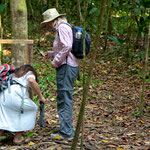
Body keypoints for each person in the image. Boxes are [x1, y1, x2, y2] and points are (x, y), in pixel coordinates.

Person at [41, 8, 78, 139]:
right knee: (64, 97)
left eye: (49, 23)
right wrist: (51, 54)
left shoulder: (62, 28)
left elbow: (67, 46)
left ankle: (66, 132)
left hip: (66, 67)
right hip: (68, 65)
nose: (49, 26)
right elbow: (64, 47)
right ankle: (66, 129)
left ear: (53, 20)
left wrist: (55, 62)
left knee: (64, 99)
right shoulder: (64, 27)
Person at [0, 64, 46, 144]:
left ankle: (1, 136)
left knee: (5, 116)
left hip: (3, 95)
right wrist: (41, 97)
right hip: (15, 95)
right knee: (32, 109)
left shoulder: (13, 74)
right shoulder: (29, 73)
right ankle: (18, 138)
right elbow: (31, 81)